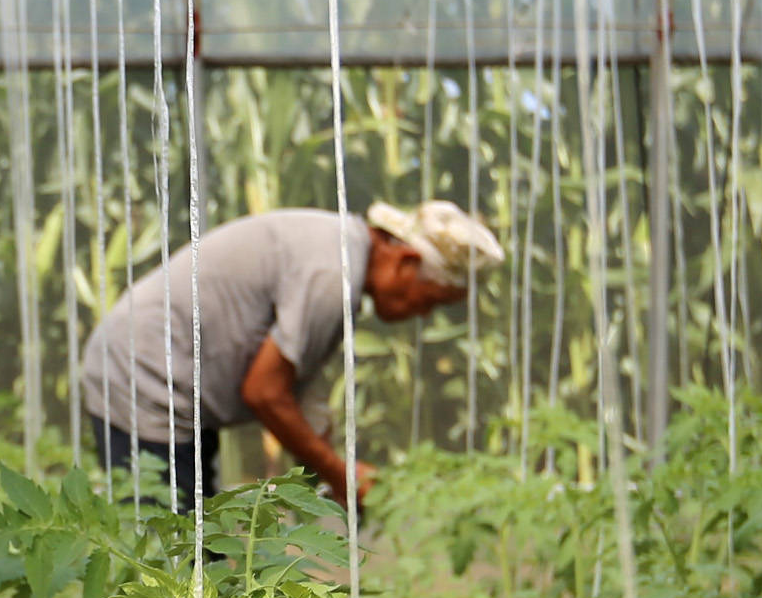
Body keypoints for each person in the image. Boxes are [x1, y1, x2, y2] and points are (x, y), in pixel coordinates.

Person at [75, 200, 500, 512]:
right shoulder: (333, 275)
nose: (422, 314)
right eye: (429, 300)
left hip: (166, 380)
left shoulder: (341, 252)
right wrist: (338, 473)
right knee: (170, 560)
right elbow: (265, 392)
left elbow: (297, 384)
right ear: (406, 261)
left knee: (193, 551)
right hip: (144, 376)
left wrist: (337, 467)